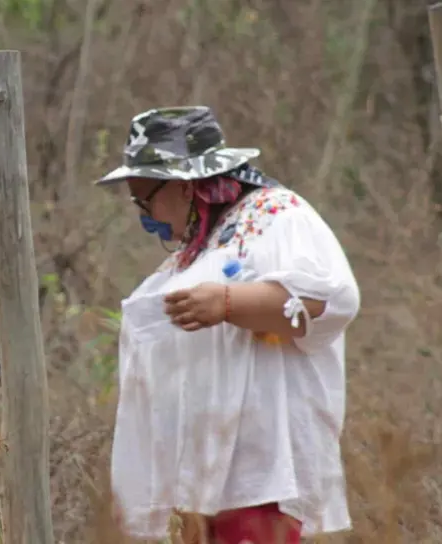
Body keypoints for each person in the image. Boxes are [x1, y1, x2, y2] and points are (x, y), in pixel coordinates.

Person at [98, 106, 361, 544]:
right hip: (205, 478)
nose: (143, 212)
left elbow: (331, 297)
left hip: (261, 469)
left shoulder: (278, 215)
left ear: (184, 186)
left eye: (144, 196)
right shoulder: (204, 242)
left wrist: (228, 302)